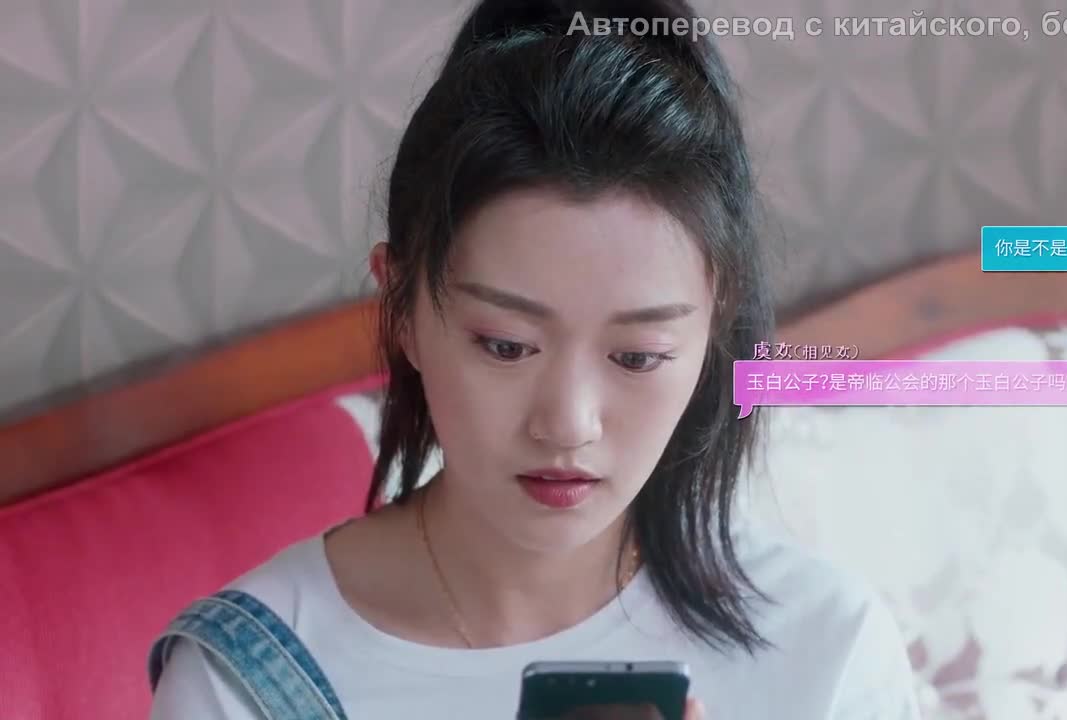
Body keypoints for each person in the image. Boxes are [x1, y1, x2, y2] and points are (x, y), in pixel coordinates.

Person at [147, 0, 922, 717]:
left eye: (637, 356)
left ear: (715, 326)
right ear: (402, 309)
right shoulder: (241, 681)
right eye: (506, 346)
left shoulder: (825, 648)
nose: (568, 424)